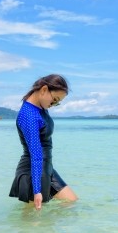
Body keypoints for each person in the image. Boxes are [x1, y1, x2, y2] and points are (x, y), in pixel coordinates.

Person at [9, 74, 78, 210]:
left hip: (46, 168)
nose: (53, 105)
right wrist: (37, 190)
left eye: (57, 103)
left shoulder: (39, 107)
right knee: (33, 220)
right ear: (44, 89)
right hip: (32, 172)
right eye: (54, 100)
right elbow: (36, 155)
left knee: (71, 202)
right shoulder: (29, 115)